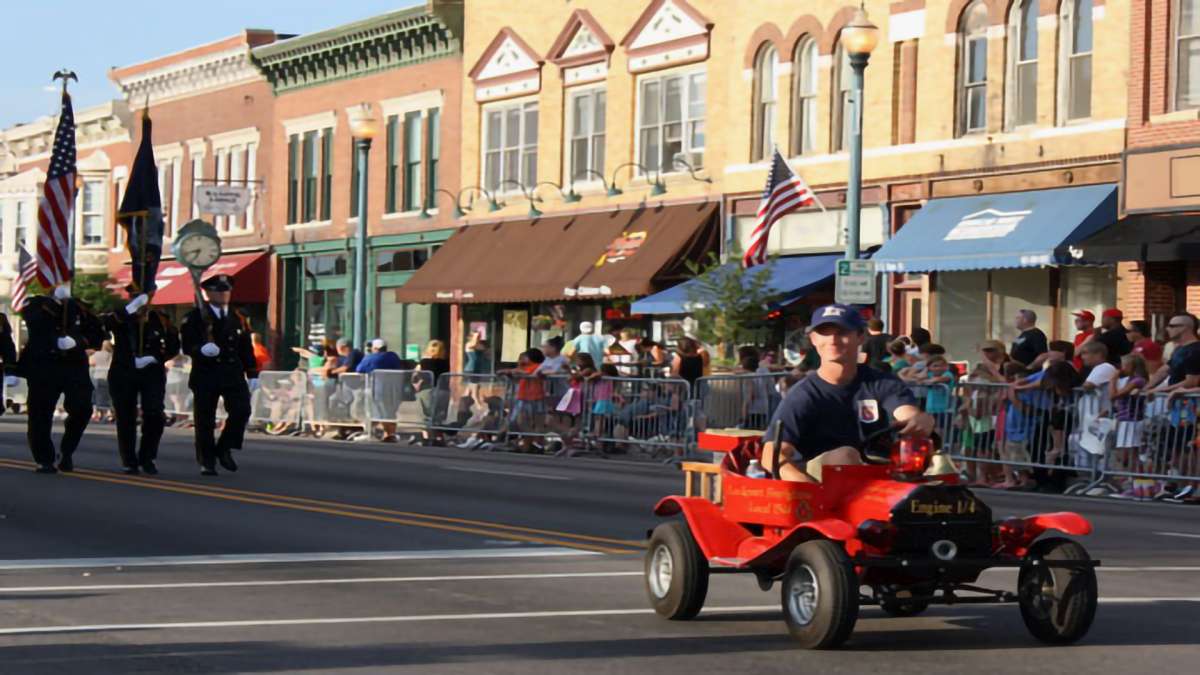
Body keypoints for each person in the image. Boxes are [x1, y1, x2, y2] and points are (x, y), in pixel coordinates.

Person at [761, 303, 935, 483]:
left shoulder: (883, 383)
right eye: (824, 332)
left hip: (878, 471)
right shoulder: (803, 395)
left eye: (842, 332)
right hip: (824, 479)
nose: (832, 340)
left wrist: (920, 419)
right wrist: (806, 486)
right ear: (813, 339)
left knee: (939, 465)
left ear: (861, 337)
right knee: (845, 455)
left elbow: (907, 413)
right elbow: (771, 454)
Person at [19, 286, 104, 473]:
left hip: (73, 366)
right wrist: (55, 304)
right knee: (40, 414)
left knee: (82, 408)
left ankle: (67, 450)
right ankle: (44, 459)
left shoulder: (78, 308)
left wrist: (77, 341)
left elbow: (97, 334)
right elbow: (34, 322)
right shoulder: (36, 304)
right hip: (44, 366)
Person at [180, 275, 258, 476]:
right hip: (206, 374)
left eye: (226, 291)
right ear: (208, 293)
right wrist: (200, 349)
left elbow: (245, 347)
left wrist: (252, 372)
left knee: (242, 410)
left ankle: (224, 447)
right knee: (205, 420)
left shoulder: (238, 317)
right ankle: (207, 461)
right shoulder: (195, 317)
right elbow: (187, 344)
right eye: (219, 291)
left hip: (232, 373)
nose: (224, 295)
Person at [102, 287, 180, 475]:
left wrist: (157, 359)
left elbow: (173, 345)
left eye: (143, 296)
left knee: (155, 414)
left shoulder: (160, 319)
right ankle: (129, 460)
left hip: (151, 373)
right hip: (123, 372)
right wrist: (131, 309)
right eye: (135, 296)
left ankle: (148, 457)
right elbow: (104, 324)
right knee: (125, 417)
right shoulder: (120, 316)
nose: (141, 300)